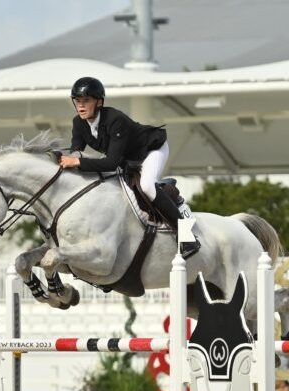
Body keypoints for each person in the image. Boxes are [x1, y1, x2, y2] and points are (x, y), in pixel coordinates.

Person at [59, 76, 200, 258]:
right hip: (127, 158)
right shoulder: (78, 123)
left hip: (151, 150)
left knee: (147, 186)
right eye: (77, 101)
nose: (81, 106)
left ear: (99, 102)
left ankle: (187, 237)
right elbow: (75, 153)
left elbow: (110, 163)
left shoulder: (115, 119)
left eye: (86, 100)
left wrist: (78, 162)